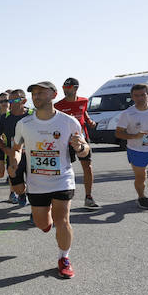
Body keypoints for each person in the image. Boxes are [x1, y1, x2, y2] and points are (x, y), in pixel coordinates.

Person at [12, 81, 90, 278]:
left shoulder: (68, 122)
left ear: (53, 95)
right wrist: (14, 164)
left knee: (62, 220)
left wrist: (80, 147)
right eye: (33, 93)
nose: (36, 96)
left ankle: (64, 257)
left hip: (62, 179)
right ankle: (46, 224)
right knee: (41, 223)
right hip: (37, 183)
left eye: (40, 92)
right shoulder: (24, 124)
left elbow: (85, 151)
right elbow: (17, 149)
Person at [54, 78, 100, 207]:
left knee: (87, 166)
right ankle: (57, 198)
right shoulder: (58, 106)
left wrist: (90, 121)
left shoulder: (84, 101)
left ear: (75, 88)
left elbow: (83, 112)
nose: (65, 90)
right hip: (64, 141)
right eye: (64, 87)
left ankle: (88, 197)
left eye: (68, 88)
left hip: (81, 138)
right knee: (62, 169)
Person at [0, 90, 31, 206]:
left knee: (36, 185)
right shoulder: (5, 117)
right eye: (9, 101)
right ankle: (21, 194)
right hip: (13, 155)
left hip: (32, 155)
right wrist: (5, 149)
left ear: (24, 101)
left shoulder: (33, 115)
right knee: (17, 186)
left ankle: (36, 211)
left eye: (14, 100)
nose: (11, 103)